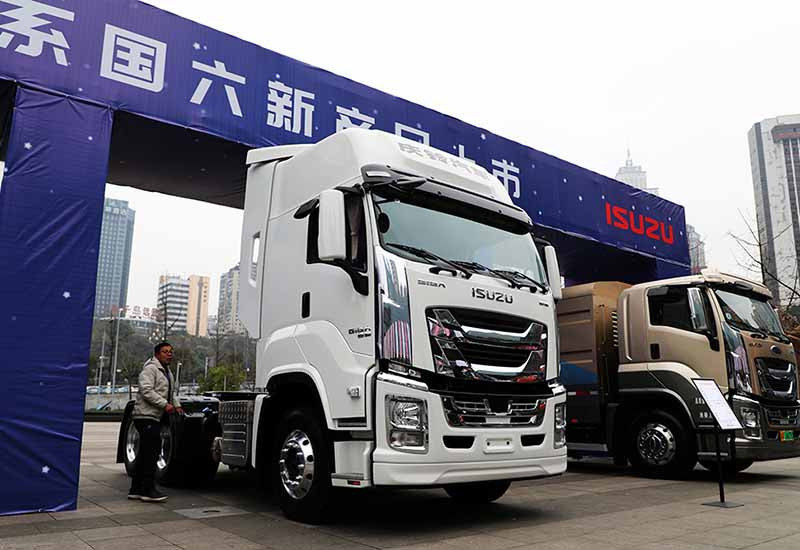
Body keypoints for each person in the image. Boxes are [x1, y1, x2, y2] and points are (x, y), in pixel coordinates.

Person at [128, 342, 183, 502]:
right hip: (145, 416)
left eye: (171, 351)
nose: (169, 354)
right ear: (157, 354)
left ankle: (135, 489)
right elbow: (146, 391)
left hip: (154, 416)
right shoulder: (150, 369)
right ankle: (148, 490)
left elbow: (170, 393)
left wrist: (176, 405)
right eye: (165, 351)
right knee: (151, 453)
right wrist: (164, 405)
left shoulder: (167, 372)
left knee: (145, 452)